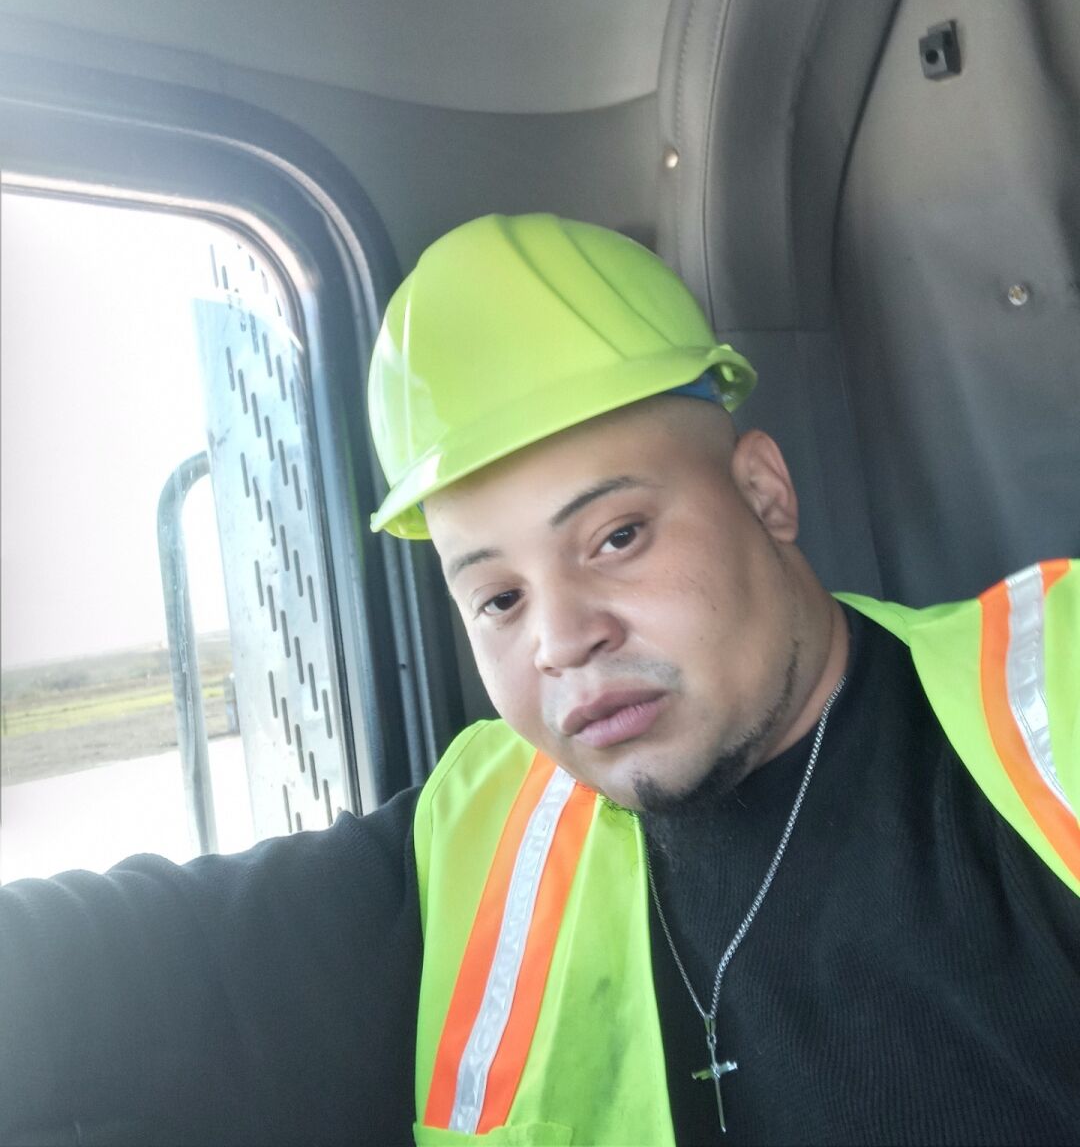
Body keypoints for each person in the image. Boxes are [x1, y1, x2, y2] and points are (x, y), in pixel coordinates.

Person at [1, 212, 1077, 1147]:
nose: (562, 640)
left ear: (763, 492)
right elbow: (117, 966)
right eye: (499, 598)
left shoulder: (1050, 699)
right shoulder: (477, 837)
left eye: (617, 537)